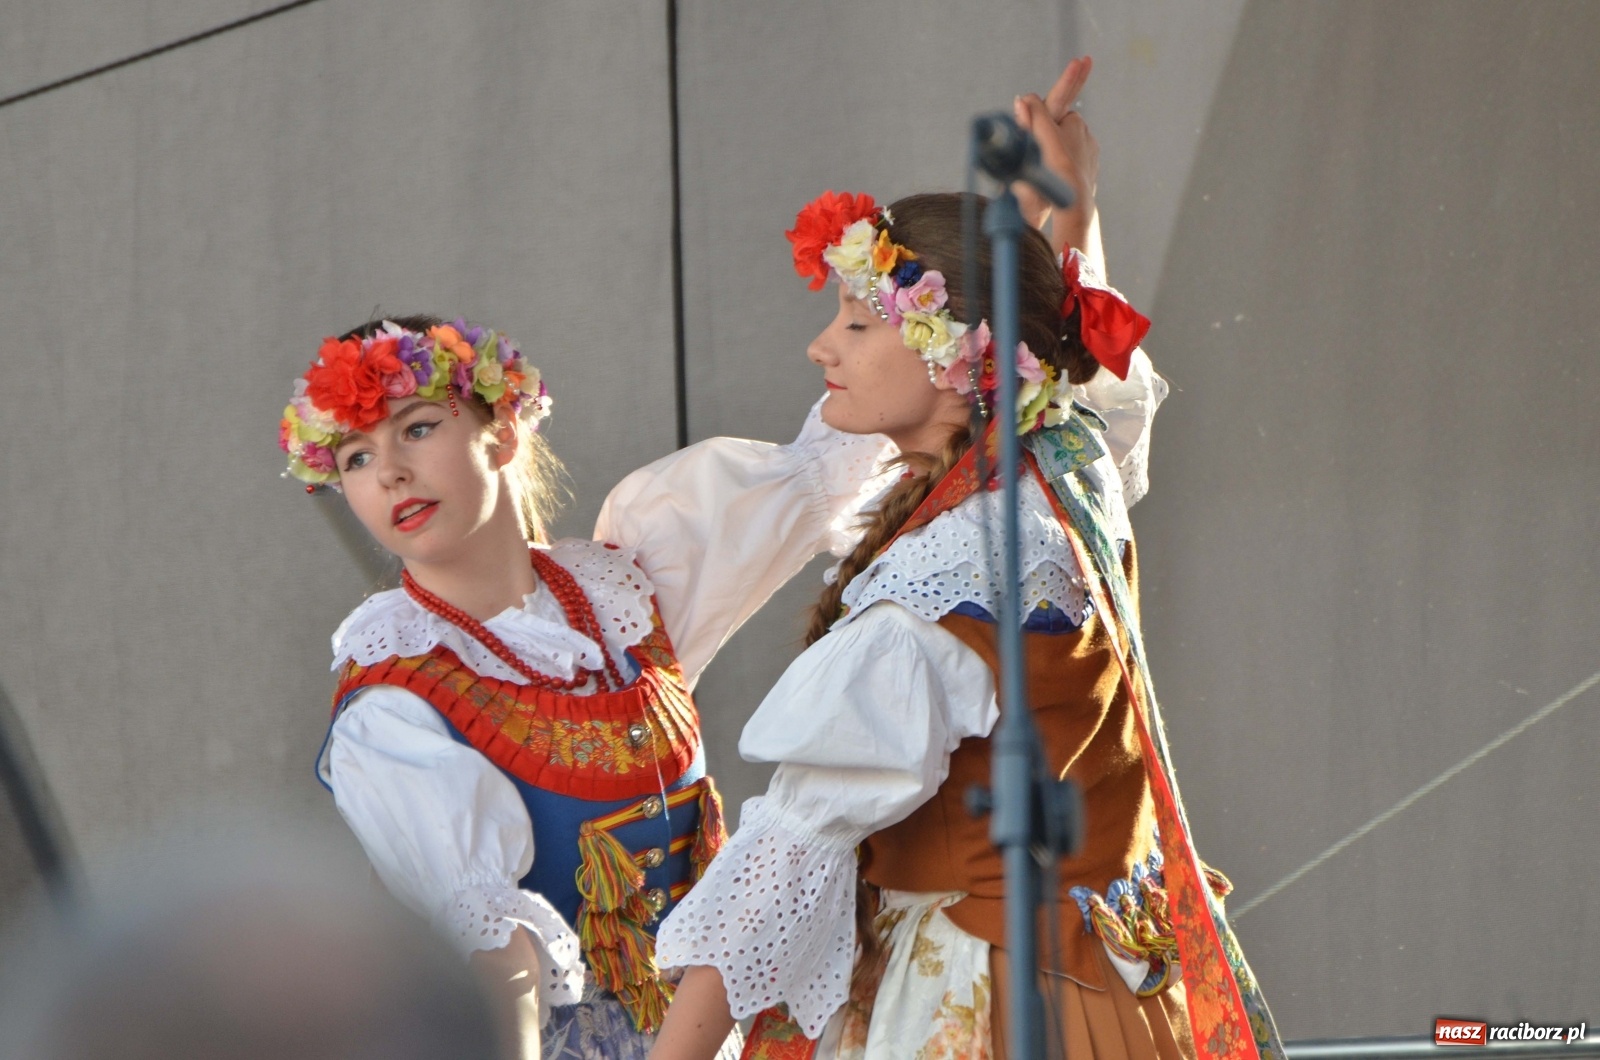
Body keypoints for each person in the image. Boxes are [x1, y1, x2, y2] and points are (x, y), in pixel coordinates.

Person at [646, 62, 1286, 1060]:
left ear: (965, 361)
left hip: (983, 1007)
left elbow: (787, 852)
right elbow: (1084, 374)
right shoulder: (1065, 473)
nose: (823, 347)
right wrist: (1062, 209)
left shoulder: (953, 575)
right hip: (1108, 994)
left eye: (859, 324)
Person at [279, 317, 895, 1059]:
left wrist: (934, 314)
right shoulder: (396, 702)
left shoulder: (627, 589)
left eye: (415, 428)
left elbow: (854, 451)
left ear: (503, 432)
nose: (388, 474)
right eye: (355, 457)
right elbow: (498, 964)